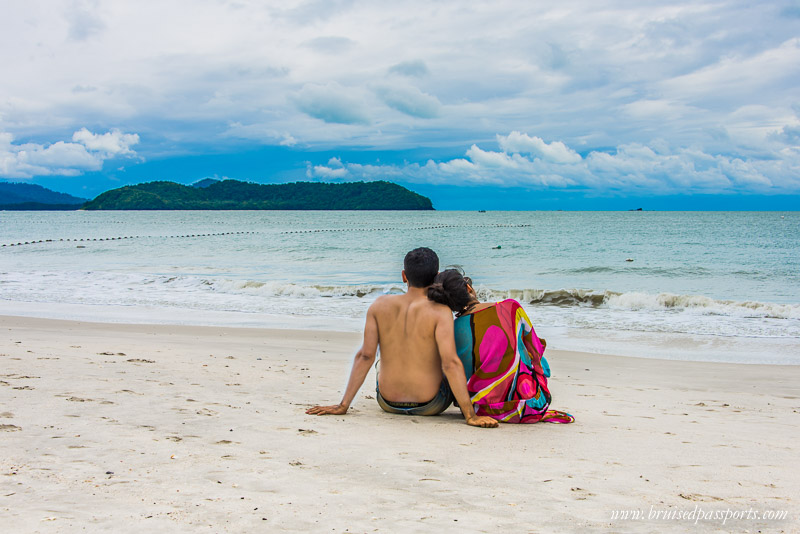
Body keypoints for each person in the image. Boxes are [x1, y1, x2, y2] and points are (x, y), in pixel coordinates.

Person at [306, 248, 498, 428]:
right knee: (447, 356)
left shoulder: (379, 305)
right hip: (431, 404)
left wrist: (343, 405)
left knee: (381, 354)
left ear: (404, 275)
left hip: (387, 403)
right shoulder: (441, 311)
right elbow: (450, 363)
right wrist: (470, 416)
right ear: (436, 276)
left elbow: (365, 356)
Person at [427, 269, 574, 424]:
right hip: (530, 406)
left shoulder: (452, 329)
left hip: (481, 409)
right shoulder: (511, 308)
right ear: (469, 288)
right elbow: (536, 355)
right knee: (528, 346)